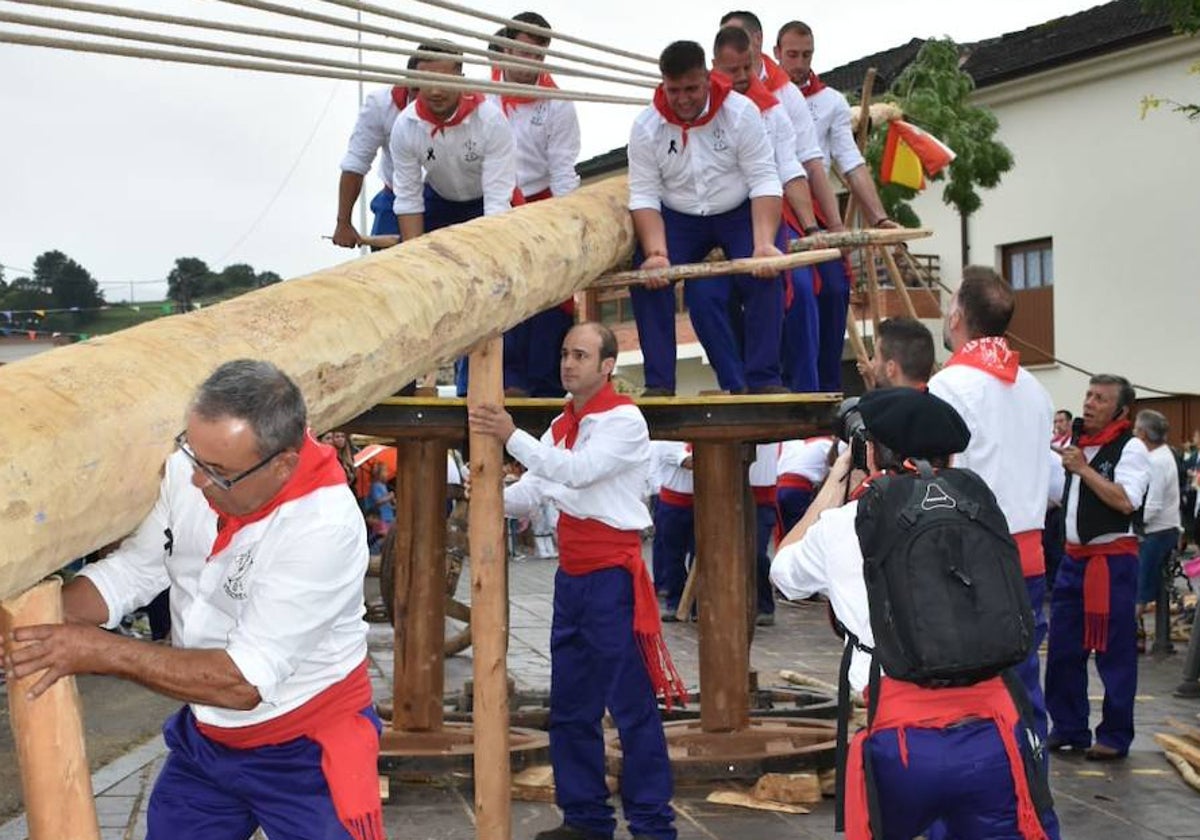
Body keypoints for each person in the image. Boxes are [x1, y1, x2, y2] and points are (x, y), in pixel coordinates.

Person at [2, 360, 380, 840]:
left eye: (218, 473)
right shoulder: (195, 466)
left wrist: (93, 650)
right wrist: (41, 626)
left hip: (304, 747)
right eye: (193, 455)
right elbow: (137, 568)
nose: (197, 482)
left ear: (283, 463)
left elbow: (243, 682)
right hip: (208, 739)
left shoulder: (323, 526)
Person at [770, 387, 1058, 839]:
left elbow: (784, 571)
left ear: (870, 449)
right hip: (992, 732)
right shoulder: (981, 509)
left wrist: (837, 478)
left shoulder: (845, 526)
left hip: (897, 735)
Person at [469, 322, 683, 840]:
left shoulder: (624, 419)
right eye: (565, 353)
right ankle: (586, 819)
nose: (568, 363)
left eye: (581, 355)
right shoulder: (563, 424)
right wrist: (481, 495)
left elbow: (578, 473)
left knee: (631, 708)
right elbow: (536, 490)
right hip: (573, 578)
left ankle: (653, 826)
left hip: (612, 578)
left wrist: (508, 435)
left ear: (608, 366)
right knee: (571, 708)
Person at [927, 266, 1055, 748]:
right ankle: (1033, 803)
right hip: (1028, 557)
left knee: (969, 695)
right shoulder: (1035, 388)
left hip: (971, 559)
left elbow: (935, 477)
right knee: (1023, 690)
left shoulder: (950, 385)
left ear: (958, 315)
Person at [627, 39, 784, 397]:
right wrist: (656, 253)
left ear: (707, 79)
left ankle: (763, 380)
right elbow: (644, 194)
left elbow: (764, 178)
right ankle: (660, 384)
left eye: (692, 89)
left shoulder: (741, 113)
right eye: (674, 90)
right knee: (648, 278)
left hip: (738, 210)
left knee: (766, 272)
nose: (683, 99)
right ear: (663, 84)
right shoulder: (645, 127)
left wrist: (762, 244)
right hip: (679, 217)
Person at [773, 19, 902, 392]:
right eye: (792, 54)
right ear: (776, 54)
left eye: (806, 55)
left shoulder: (829, 102)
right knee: (791, 291)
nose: (799, 63)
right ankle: (788, 383)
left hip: (819, 211)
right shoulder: (760, 98)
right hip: (773, 206)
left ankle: (826, 389)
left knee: (832, 289)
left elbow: (850, 162)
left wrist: (880, 217)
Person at [389, 39, 517, 395]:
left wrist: (489, 255)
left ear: (460, 76)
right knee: (408, 275)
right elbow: (408, 198)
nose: (434, 91)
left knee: (491, 285)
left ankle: (477, 382)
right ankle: (406, 377)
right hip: (442, 200)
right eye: (424, 81)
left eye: (443, 81)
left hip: (488, 204)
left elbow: (497, 201)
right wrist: (413, 259)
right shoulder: (405, 125)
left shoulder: (490, 119)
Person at [710, 24, 823, 393]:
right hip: (709, 218)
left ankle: (801, 389)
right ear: (716, 65)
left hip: (763, 214)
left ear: (758, 56)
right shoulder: (697, 102)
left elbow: (792, 167)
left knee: (801, 290)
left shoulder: (776, 107)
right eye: (732, 70)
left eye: (748, 67)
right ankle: (736, 384)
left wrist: (812, 228)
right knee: (707, 294)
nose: (741, 77)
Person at [1046, 374, 1150, 760]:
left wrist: (1084, 471)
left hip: (1112, 562)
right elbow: (1063, 497)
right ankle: (1069, 726)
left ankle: (1115, 734)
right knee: (1062, 651)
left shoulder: (1131, 448)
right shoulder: (1078, 446)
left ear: (1121, 411)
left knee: (1115, 652)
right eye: (1088, 395)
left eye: (1100, 399)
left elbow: (1126, 501)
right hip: (1074, 559)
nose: (1089, 403)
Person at [490, 11, 581, 397]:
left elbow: (563, 173)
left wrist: (565, 229)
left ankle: (543, 388)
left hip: (542, 204)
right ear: (507, 48)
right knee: (500, 292)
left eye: (539, 57)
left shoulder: (557, 103)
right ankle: (505, 382)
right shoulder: (482, 92)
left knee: (550, 294)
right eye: (523, 54)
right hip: (494, 202)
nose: (530, 65)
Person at [332, 66, 415, 248]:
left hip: (452, 198)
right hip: (396, 196)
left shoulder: (476, 108)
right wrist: (343, 222)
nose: (434, 93)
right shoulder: (380, 105)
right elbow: (356, 163)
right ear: (408, 83)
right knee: (384, 268)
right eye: (419, 87)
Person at [1132, 409, 1181, 638]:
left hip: (1157, 532)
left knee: (1140, 590)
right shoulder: (1161, 455)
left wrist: (1132, 522)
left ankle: (1125, 634)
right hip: (1160, 530)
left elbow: (1153, 503)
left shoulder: (1157, 461)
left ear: (1142, 433)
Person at [648, 440, 694, 619]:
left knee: (699, 557)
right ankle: (675, 602)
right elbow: (688, 463)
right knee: (673, 556)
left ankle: (696, 604)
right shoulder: (668, 442)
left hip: (700, 502)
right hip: (673, 505)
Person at [776, 435, 834, 535]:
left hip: (779, 487)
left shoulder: (790, 442)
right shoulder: (827, 444)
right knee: (800, 530)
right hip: (799, 489)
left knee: (784, 530)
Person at [858, 316, 934, 390]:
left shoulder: (875, 402)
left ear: (890, 368)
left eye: (876, 358)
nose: (872, 365)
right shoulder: (940, 401)